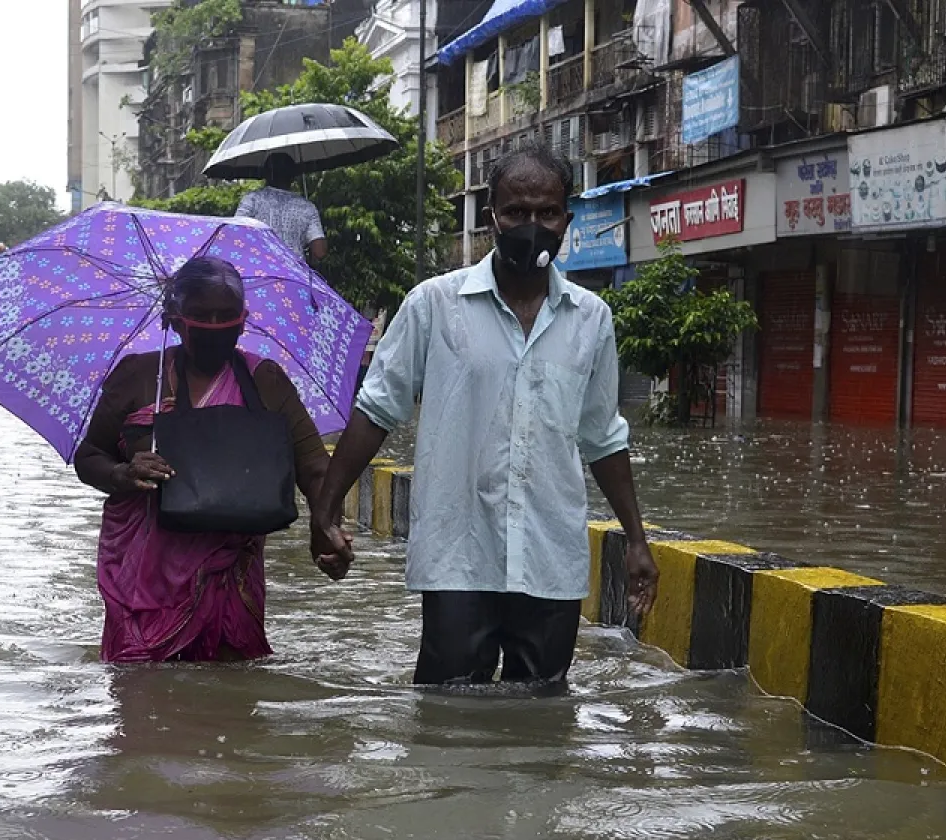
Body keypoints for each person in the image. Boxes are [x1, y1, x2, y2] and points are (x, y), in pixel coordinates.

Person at [309, 146, 660, 689]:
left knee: (540, 719)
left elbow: (602, 436)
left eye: (547, 213)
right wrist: (325, 509)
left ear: (567, 220)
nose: (533, 225)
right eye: (516, 212)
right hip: (458, 554)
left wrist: (636, 538)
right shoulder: (434, 305)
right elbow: (377, 408)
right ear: (491, 216)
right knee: (446, 716)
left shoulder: (592, 320)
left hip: (549, 556)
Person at [74, 257, 344, 663]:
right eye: (202, 315)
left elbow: (315, 468)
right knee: (140, 703)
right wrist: (124, 473)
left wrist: (326, 530)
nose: (215, 327)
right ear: (174, 319)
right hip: (143, 585)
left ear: (243, 320)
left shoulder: (265, 381)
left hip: (231, 580)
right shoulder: (136, 377)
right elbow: (88, 456)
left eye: (226, 316)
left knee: (231, 704)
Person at [234, 154, 328, 262]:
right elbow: (319, 251)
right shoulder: (307, 207)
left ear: (266, 175)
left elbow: (236, 233)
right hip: (294, 274)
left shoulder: (252, 199)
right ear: (293, 177)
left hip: (259, 270)